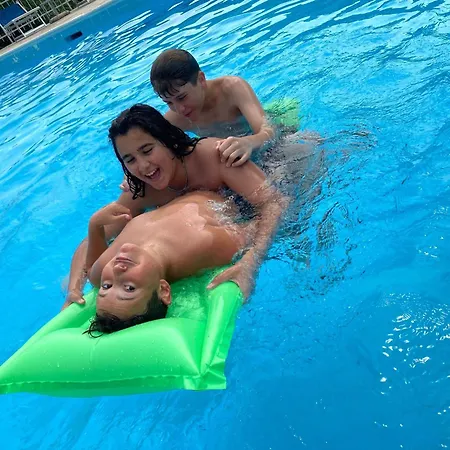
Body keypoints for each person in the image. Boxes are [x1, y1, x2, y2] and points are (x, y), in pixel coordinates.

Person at [63, 104, 286, 309]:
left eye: (147, 150)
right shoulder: (142, 191)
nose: (143, 166)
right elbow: (92, 239)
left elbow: (275, 203)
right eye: (130, 160)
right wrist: (74, 288)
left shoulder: (215, 156)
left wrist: (251, 262)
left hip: (270, 166)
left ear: (167, 139)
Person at [84, 191, 252, 335]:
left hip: (166, 190)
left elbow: (90, 270)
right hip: (228, 191)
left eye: (106, 286)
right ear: (163, 290)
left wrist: (95, 227)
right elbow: (256, 226)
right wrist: (249, 264)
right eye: (129, 288)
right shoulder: (201, 245)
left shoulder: (104, 268)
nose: (118, 270)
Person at [150, 48, 275, 167]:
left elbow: (269, 131)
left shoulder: (232, 89)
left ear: (201, 80)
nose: (179, 110)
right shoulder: (173, 120)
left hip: (266, 146)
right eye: (169, 103)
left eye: (182, 97)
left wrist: (248, 142)